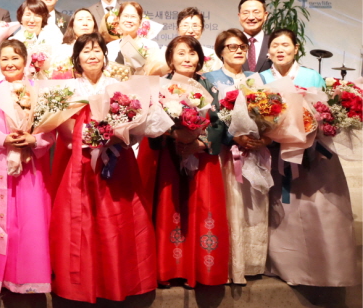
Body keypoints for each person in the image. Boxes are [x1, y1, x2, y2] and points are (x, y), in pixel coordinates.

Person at [49, 32, 156, 303]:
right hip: (81, 164)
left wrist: (116, 137)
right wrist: (93, 137)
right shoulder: (67, 89)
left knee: (117, 221)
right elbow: (63, 128)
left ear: (105, 56)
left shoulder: (118, 87)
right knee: (82, 222)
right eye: (85, 51)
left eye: (97, 50)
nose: (92, 55)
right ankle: (82, 283)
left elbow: (134, 125)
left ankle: (117, 278)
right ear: (77, 58)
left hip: (117, 164)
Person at [259, 28, 357, 287]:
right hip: (275, 156)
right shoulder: (260, 79)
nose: (280, 49)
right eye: (275, 45)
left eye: (285, 45)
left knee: (314, 210)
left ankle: (319, 267)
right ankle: (282, 266)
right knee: (283, 213)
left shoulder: (312, 76)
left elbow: (324, 113)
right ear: (268, 52)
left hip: (312, 156)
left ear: (296, 49)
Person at [136, 36, 230, 288]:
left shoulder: (209, 86)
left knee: (200, 209)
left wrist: (199, 143)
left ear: (199, 58)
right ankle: (166, 270)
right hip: (166, 156)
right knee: (168, 208)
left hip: (201, 158)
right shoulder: (159, 85)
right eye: (181, 53)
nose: (187, 58)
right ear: (170, 58)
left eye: (192, 53)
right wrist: (174, 133)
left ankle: (198, 270)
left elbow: (219, 121)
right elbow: (149, 120)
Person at [0, 39, 54, 294]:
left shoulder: (38, 91)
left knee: (27, 223)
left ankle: (25, 277)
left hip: (29, 168)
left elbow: (50, 128)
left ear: (25, 61)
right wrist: (4, 139)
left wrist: (33, 139)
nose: (10, 63)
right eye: (5, 58)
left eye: (15, 58)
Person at [199, 29, 267, 285]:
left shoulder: (256, 78)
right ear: (220, 51)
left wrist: (263, 137)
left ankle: (251, 262)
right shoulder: (209, 79)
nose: (238, 51)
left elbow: (269, 111)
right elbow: (210, 117)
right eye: (231, 47)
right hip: (225, 156)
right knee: (228, 206)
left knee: (252, 207)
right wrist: (233, 137)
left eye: (241, 47)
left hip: (253, 152)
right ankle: (227, 265)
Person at [104, 1, 160, 65]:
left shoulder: (151, 45)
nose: (129, 20)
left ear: (140, 21)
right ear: (118, 19)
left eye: (133, 16)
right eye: (125, 16)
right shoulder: (110, 47)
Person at [175, 7, 222, 73]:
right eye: (185, 25)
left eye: (195, 26)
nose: (190, 30)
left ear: (202, 29)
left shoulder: (212, 55)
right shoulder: (168, 53)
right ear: (178, 29)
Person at [238, 0, 272, 73]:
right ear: (239, 16)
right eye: (245, 13)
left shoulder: (274, 42)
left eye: (256, 12)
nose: (251, 17)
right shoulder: (230, 44)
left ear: (265, 15)